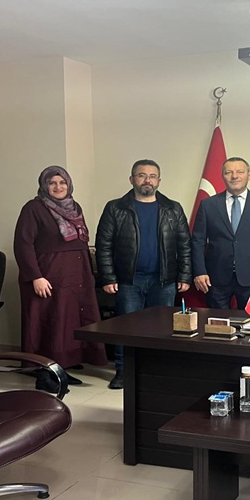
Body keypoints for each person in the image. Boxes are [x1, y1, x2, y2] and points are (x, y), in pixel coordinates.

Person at [95, 159, 191, 389]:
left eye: (152, 176)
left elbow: (184, 245)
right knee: (126, 328)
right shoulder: (115, 208)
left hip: (164, 281)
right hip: (128, 280)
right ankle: (123, 371)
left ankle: (156, 370)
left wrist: (185, 276)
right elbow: (104, 245)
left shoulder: (173, 208)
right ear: (132, 179)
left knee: (162, 329)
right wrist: (108, 277)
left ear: (159, 180)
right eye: (141, 175)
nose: (147, 180)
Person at [13, 165, 107, 393]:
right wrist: (36, 276)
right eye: (52, 183)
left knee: (68, 323)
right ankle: (44, 373)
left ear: (69, 185)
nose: (58, 187)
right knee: (49, 323)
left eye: (62, 182)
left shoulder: (75, 208)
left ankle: (61, 368)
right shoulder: (33, 208)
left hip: (76, 276)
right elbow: (23, 244)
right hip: (49, 277)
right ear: (44, 185)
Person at [192, 157, 250, 309]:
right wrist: (199, 271)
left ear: (249, 175)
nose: (234, 176)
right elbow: (197, 241)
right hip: (216, 276)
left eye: (240, 172)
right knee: (217, 321)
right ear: (223, 176)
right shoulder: (208, 204)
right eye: (229, 172)